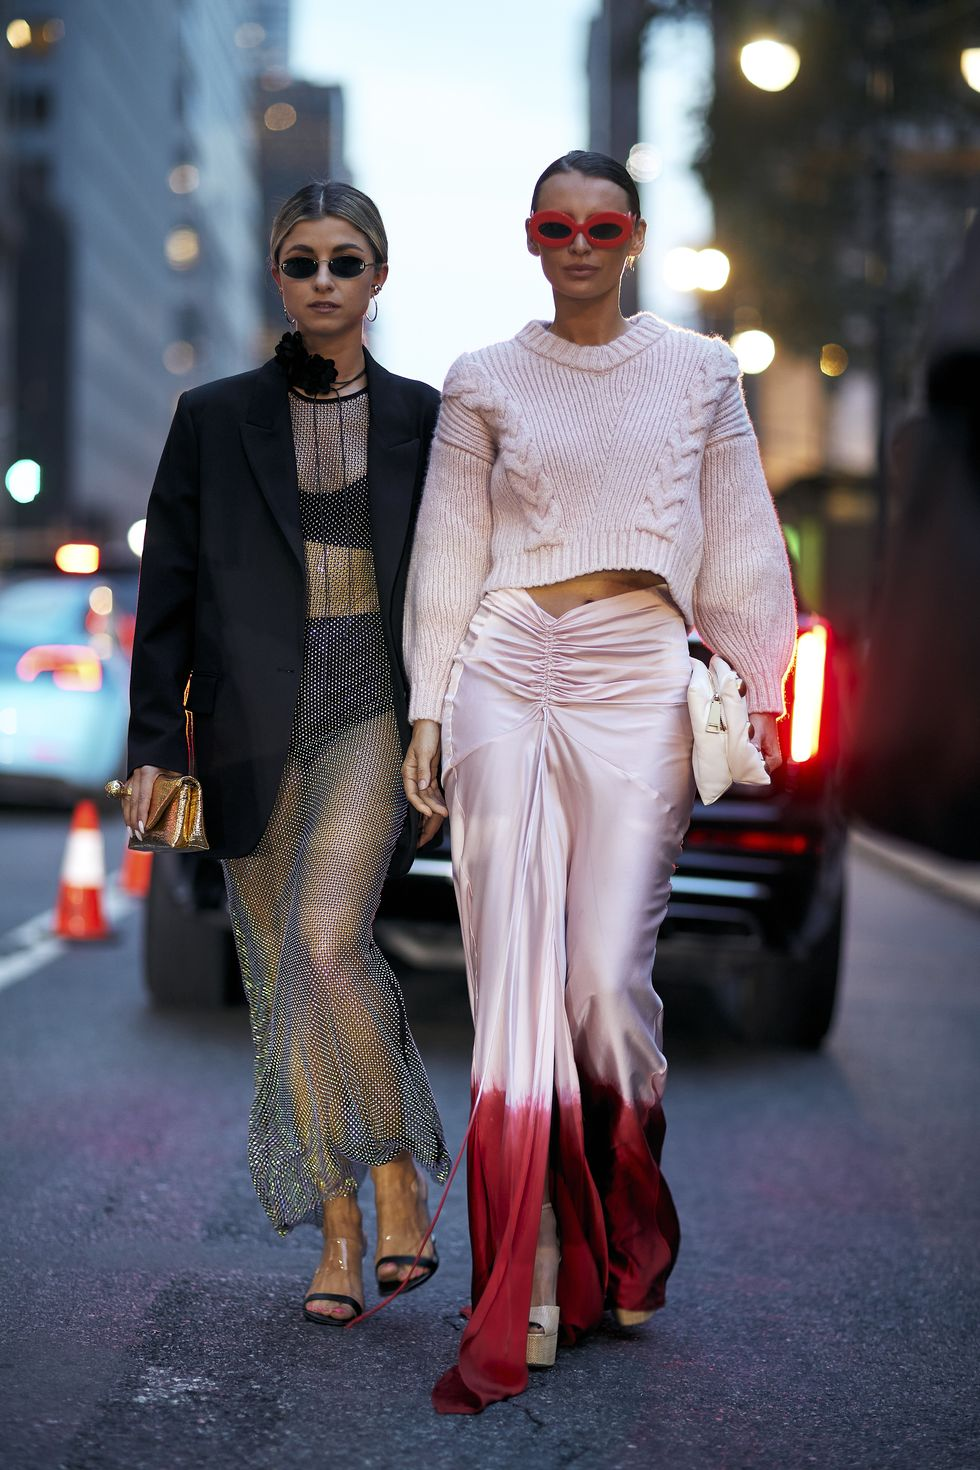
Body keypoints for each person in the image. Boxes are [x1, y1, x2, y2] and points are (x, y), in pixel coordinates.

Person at [402, 150, 796, 1413]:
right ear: (530, 238)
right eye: (552, 225)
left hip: (636, 674)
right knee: (511, 983)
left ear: (631, 237)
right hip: (502, 668)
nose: (576, 243)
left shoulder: (697, 371)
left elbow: (737, 531)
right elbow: (448, 552)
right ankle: (537, 1262)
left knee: (601, 985)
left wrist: (765, 678)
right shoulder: (481, 378)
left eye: (600, 225)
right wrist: (423, 705)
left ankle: (621, 1218)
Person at [122, 181, 450, 1326]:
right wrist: (158, 741)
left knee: (324, 942)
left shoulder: (426, 416)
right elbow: (165, 594)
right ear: (278, 275)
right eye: (302, 261)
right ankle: (341, 1229)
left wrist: (443, 724)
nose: (323, 280)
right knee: (278, 982)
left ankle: (399, 1176)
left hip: (370, 702)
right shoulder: (213, 416)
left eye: (345, 261)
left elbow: (456, 582)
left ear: (378, 276)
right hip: (250, 726)